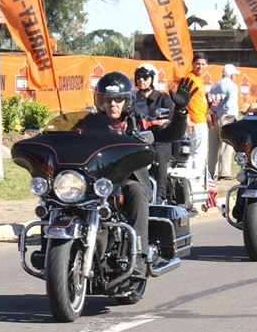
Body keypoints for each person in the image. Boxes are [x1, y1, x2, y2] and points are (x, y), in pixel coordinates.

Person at [75, 71, 196, 276]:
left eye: (118, 99)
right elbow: (67, 137)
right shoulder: (87, 124)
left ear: (127, 101)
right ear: (100, 101)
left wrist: (181, 111)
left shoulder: (138, 122)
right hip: (92, 182)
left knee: (137, 191)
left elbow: (170, 134)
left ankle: (138, 255)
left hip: (125, 181)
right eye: (108, 99)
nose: (113, 104)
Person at [133, 63, 174, 203]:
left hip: (158, 139)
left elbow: (170, 115)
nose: (141, 80)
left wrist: (161, 121)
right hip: (135, 141)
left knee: (159, 154)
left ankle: (160, 196)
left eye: (145, 77)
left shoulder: (163, 98)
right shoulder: (131, 98)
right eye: (139, 77)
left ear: (153, 79)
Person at [207, 64, 240, 180]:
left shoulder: (216, 85)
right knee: (226, 145)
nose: (235, 76)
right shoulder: (232, 86)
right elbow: (229, 104)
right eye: (235, 74)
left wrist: (213, 114)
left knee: (213, 146)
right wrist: (220, 113)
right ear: (231, 75)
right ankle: (224, 172)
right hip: (226, 117)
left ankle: (211, 171)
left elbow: (210, 100)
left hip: (213, 117)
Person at [185, 53, 209, 171]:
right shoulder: (190, 78)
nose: (200, 67)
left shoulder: (198, 78)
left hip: (200, 118)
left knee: (194, 152)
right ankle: (196, 178)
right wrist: (187, 119)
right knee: (199, 153)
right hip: (195, 120)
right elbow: (183, 100)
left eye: (203, 64)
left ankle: (191, 178)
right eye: (198, 64)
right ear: (193, 64)